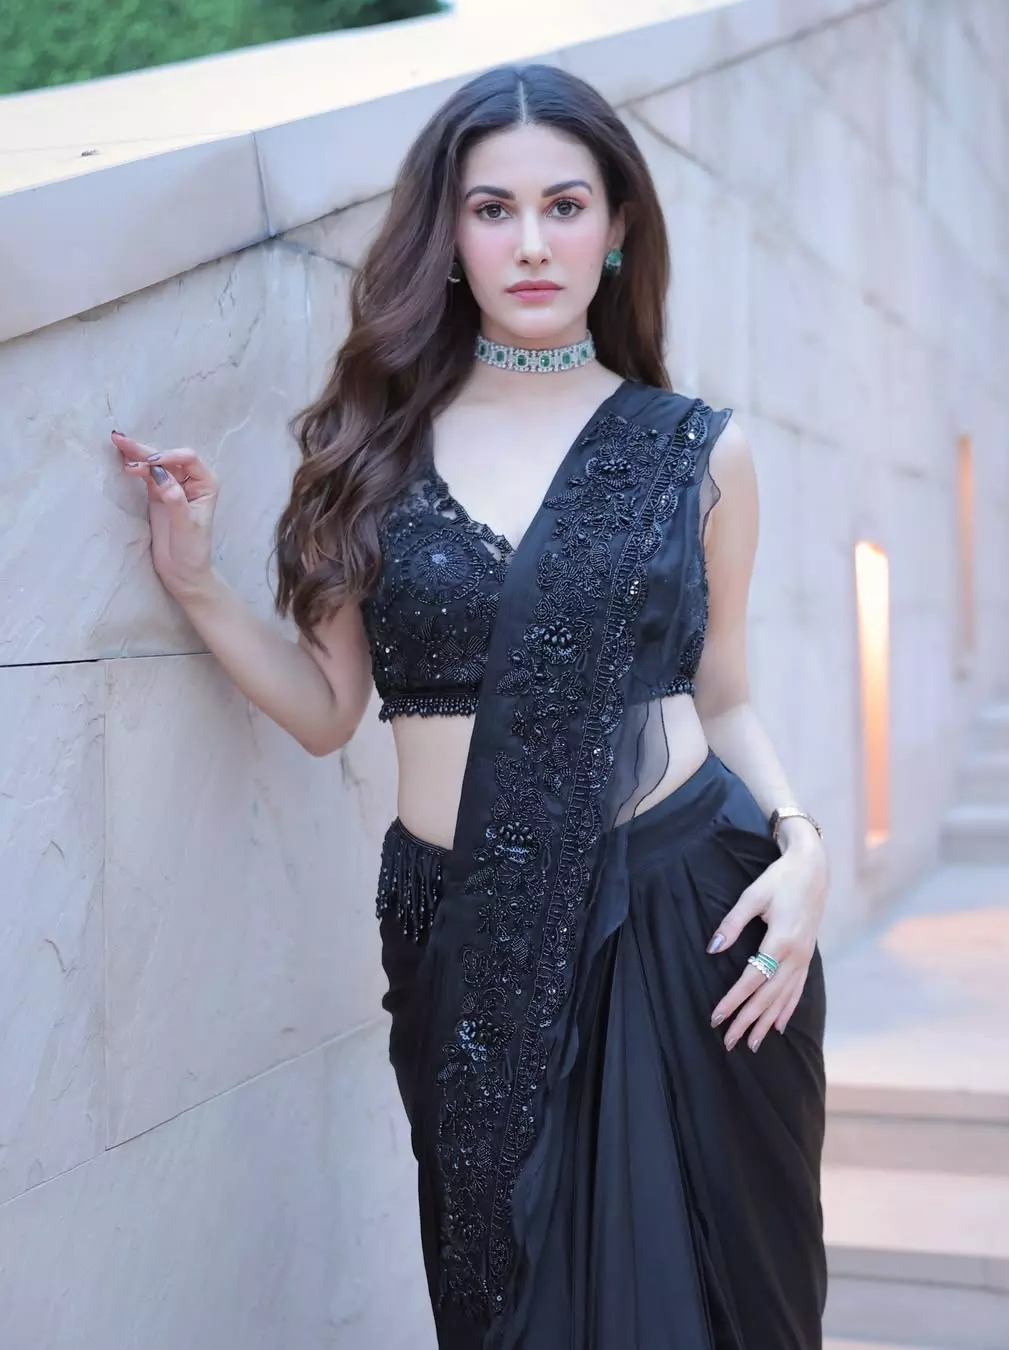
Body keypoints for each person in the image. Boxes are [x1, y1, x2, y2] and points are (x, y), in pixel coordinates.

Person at [112, 62, 829, 1350]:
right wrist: (199, 583)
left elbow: (723, 692)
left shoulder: (696, 449)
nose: (532, 242)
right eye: (494, 209)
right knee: (503, 1302)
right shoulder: (368, 456)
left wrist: (804, 846)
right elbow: (330, 710)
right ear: (446, 236)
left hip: (685, 915)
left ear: (617, 229)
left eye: (566, 204)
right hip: (460, 932)